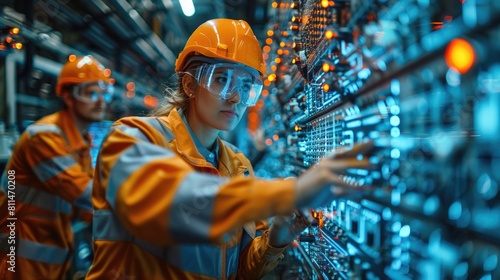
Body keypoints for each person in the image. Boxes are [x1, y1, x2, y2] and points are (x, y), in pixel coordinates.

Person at [86, 18, 371, 280]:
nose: (235, 97)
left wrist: (276, 238)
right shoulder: (132, 138)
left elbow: (240, 271)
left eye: (246, 85)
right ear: (189, 85)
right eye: (222, 79)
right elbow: (177, 205)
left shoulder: (237, 164)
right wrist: (290, 193)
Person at [0, 55, 113, 279]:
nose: (101, 101)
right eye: (91, 93)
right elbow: (86, 194)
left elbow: (87, 210)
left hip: (51, 261)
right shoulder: (44, 137)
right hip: (18, 262)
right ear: (68, 96)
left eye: (104, 93)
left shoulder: (80, 142)